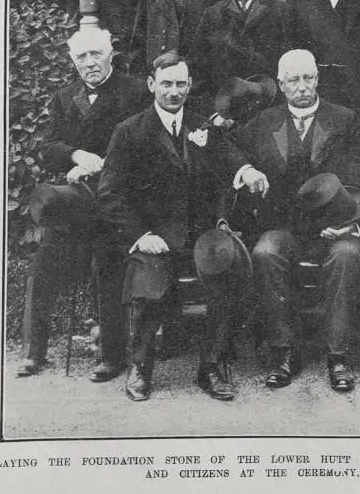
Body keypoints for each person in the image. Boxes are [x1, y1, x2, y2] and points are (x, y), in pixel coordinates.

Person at [97, 52, 252, 402]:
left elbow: (230, 160)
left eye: (180, 84)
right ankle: (140, 366)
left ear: (190, 86)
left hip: (198, 236)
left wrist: (247, 172)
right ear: (152, 84)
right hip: (154, 237)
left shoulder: (203, 126)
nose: (173, 91)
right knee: (149, 282)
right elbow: (109, 194)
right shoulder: (129, 131)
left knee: (225, 273)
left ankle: (210, 367)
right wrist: (140, 235)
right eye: (166, 83)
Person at [233, 49, 360, 393]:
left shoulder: (345, 120)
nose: (302, 86)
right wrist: (246, 169)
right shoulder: (261, 124)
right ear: (280, 84)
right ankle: (284, 352)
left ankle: (337, 355)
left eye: (308, 77)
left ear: (318, 78)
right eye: (294, 80)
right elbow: (233, 152)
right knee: (265, 252)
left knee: (346, 255)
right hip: (286, 226)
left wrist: (346, 220)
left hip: (336, 225)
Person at [16, 29, 149, 381]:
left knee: (106, 258)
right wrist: (75, 156)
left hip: (118, 201)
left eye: (95, 54)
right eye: (81, 58)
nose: (89, 63)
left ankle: (112, 355)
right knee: (45, 259)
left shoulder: (134, 91)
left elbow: (147, 142)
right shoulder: (64, 98)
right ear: (73, 62)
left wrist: (105, 163)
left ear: (110, 54)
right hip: (76, 202)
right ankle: (35, 352)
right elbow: (48, 147)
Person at [190, 0, 289, 108]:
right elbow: (198, 71)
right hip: (225, 113)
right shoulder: (212, 14)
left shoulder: (282, 12)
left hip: (269, 111)